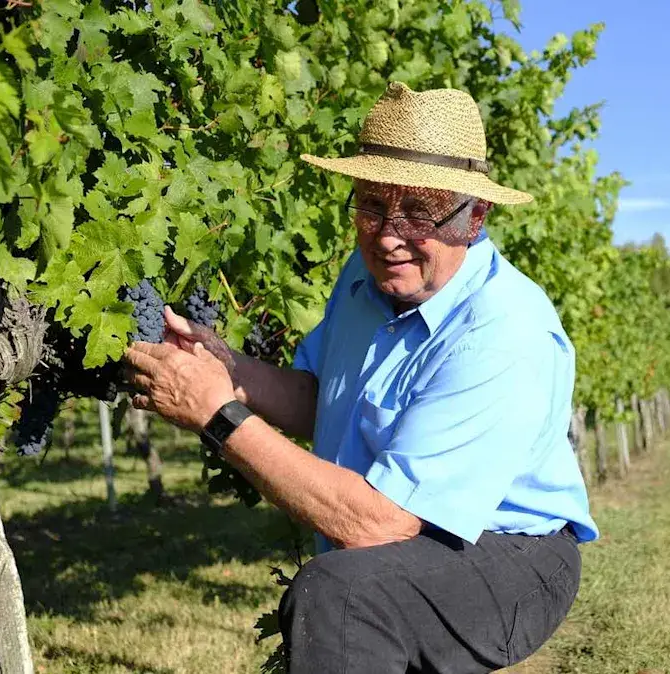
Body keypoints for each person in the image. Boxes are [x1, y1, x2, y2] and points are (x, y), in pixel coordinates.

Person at [123, 81, 599, 673]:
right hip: (412, 532)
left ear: (475, 217)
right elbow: (319, 397)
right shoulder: (367, 277)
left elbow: (381, 523)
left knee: (344, 596)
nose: (389, 235)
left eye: (419, 212)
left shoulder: (503, 331)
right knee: (350, 592)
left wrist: (219, 414)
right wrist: (228, 369)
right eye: (372, 206)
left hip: (512, 556)